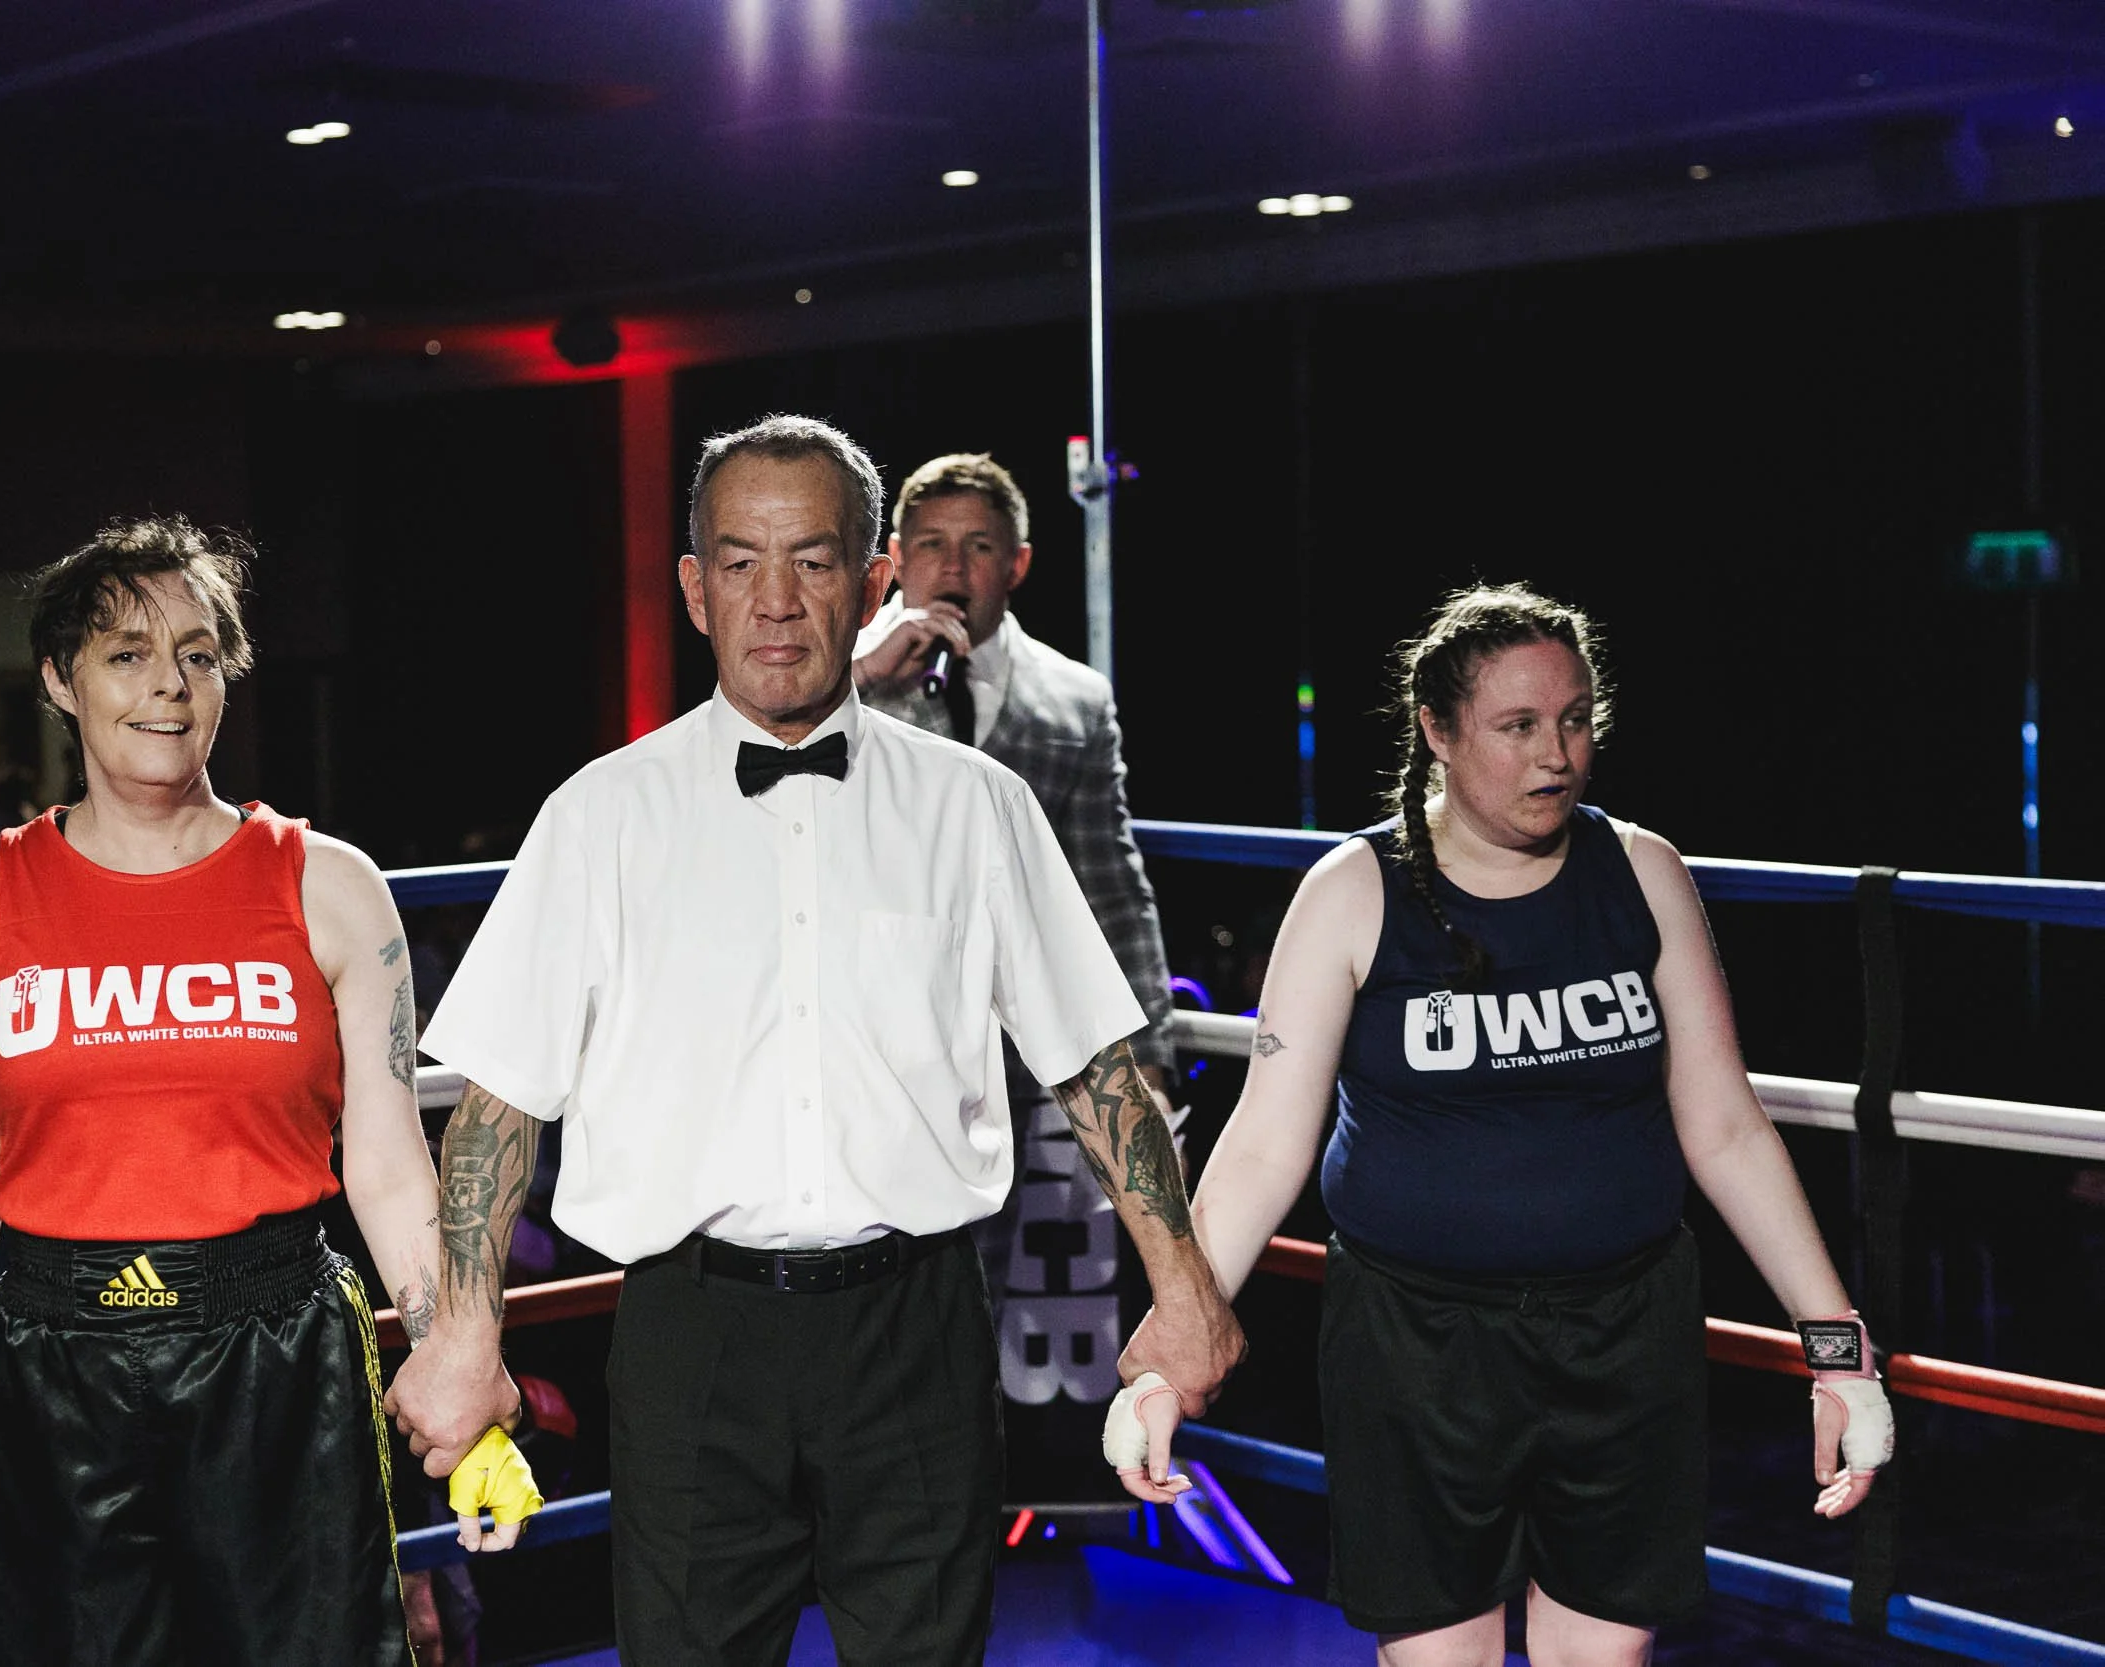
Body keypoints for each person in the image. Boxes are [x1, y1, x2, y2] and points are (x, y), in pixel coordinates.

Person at [408, 415, 1245, 1666]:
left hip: (916, 1326)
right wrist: (465, 1331)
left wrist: (1183, 1288)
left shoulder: (977, 805)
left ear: (870, 580)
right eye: (740, 561)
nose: (777, 600)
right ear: (694, 588)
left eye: (812, 559)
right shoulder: (599, 815)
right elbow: (497, 1103)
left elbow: (1093, 1063)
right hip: (690, 1335)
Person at [1159, 584, 1892, 1667]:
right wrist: (1167, 1357)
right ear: (1438, 732)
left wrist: (1839, 1355)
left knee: (1604, 1658)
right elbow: (1264, 1145)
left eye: (1575, 719)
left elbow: (1727, 1126)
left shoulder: (1640, 870)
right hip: (1415, 1345)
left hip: (1624, 1331)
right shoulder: (1352, 891)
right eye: (1516, 726)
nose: (1555, 753)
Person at [0, 516, 450, 1666]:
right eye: (126, 653)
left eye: (196, 652)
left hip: (278, 1346)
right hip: (52, 1356)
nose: (167, 685)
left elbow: (386, 1164)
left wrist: (457, 1364)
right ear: (58, 677)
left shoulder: (331, 885)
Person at [850, 452, 1179, 1426]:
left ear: (1018, 564)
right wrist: (857, 680)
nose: (953, 567)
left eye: (979, 546)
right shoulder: (830, 682)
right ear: (894, 562)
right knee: (872, 1300)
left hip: (1015, 1058)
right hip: (871, 1051)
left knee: (986, 1306)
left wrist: (1152, 1053)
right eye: (933, 545)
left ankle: (963, 1512)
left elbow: (1108, 881)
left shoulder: (1070, 699)